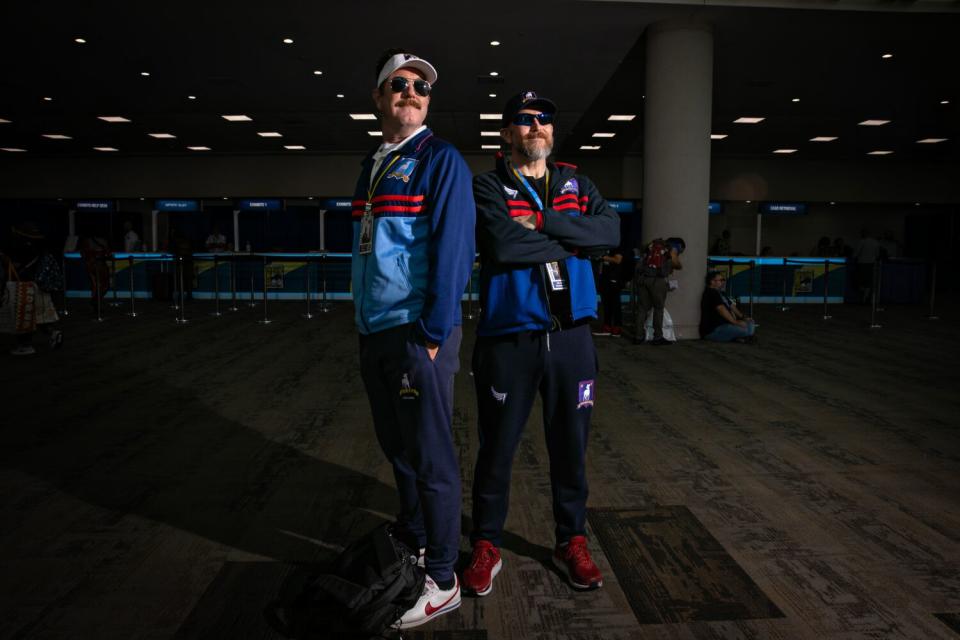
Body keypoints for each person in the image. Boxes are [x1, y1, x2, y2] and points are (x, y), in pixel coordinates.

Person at [464, 90, 619, 598]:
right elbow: (504, 245)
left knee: (570, 448)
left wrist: (546, 223)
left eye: (545, 120)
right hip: (510, 340)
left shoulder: (577, 181)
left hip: (572, 338)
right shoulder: (487, 186)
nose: (537, 127)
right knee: (498, 450)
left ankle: (570, 539)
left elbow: (611, 232)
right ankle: (486, 542)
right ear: (507, 132)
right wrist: (577, 238)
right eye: (525, 120)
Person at [351, 49, 475, 629]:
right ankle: (420, 539)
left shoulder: (439, 158)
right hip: (375, 330)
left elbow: (454, 250)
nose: (411, 92)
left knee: (431, 458)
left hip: (416, 333)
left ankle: (444, 576)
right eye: (398, 84)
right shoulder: (375, 162)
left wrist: (430, 333)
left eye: (421, 86)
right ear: (379, 98)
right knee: (398, 449)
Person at [2, 222, 63, 354]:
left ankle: (25, 345)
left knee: (23, 317)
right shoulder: (41, 250)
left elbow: (17, 270)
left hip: (24, 287)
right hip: (40, 288)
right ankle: (53, 332)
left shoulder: (20, 249)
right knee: (41, 317)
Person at [634, 236, 683, 345]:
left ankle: (638, 336)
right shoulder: (670, 249)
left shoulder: (649, 246)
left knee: (642, 309)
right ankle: (658, 337)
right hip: (658, 281)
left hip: (643, 279)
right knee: (658, 309)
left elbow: (639, 263)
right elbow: (676, 264)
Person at [699, 270, 756, 343]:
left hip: (725, 325)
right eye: (721, 280)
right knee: (744, 330)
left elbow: (731, 305)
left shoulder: (721, 293)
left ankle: (741, 337)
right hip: (713, 329)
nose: (723, 282)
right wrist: (735, 322)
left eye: (723, 280)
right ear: (712, 282)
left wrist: (743, 317)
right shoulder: (710, 293)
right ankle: (741, 337)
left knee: (750, 323)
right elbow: (721, 309)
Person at [595, 246, 629, 336]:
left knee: (615, 304)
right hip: (605, 280)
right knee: (606, 304)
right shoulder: (605, 248)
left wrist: (603, 257)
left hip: (614, 280)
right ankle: (607, 327)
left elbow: (618, 260)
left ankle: (616, 328)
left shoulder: (616, 247)